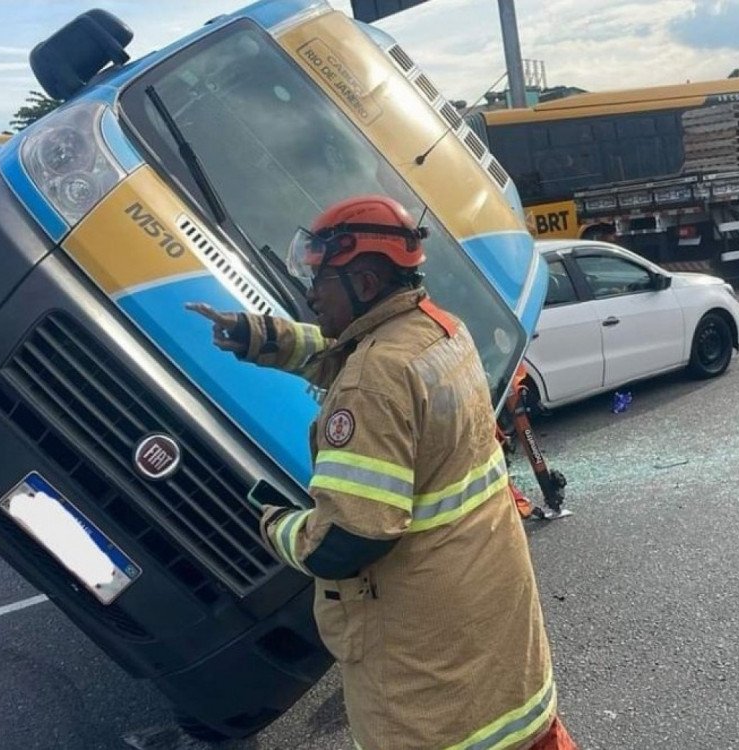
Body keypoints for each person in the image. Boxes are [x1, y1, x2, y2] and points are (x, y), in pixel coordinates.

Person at [187, 195, 575, 750]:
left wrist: (272, 524)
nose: (309, 293)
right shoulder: (441, 332)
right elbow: (355, 347)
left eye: (319, 279)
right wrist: (266, 338)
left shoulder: (372, 382)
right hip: (500, 652)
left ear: (365, 284)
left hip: (435, 699)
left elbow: (346, 541)